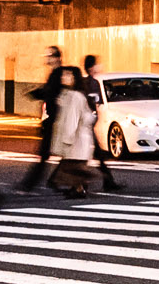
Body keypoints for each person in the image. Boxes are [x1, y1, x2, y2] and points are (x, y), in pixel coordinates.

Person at [19, 46, 64, 191]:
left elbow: (50, 94)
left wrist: (35, 94)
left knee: (48, 155)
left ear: (56, 58)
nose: (47, 59)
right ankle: (48, 181)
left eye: (49, 56)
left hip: (56, 120)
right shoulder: (55, 74)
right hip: (53, 120)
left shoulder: (58, 75)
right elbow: (48, 92)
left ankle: (30, 184)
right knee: (59, 154)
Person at [49, 64, 98, 198]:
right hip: (79, 139)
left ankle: (81, 186)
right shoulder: (70, 94)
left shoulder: (75, 96)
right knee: (73, 167)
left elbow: (72, 119)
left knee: (72, 167)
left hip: (76, 140)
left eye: (68, 75)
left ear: (74, 78)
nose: (64, 77)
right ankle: (79, 187)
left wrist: (67, 139)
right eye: (64, 74)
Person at [81, 54, 126, 192]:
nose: (98, 67)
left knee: (96, 155)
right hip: (83, 125)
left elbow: (97, 104)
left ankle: (106, 182)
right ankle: (81, 183)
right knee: (83, 156)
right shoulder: (85, 84)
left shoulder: (95, 83)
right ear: (90, 67)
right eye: (95, 64)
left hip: (90, 124)